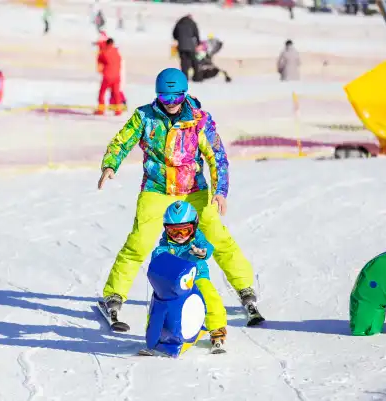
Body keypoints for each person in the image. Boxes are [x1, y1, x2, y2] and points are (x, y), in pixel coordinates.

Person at [97, 68, 262, 328]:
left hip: (193, 190)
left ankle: (245, 289)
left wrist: (220, 191)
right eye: (164, 98)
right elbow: (121, 142)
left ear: (184, 95)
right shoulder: (144, 116)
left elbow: (216, 155)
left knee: (217, 237)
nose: (170, 104)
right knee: (139, 242)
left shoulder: (198, 119)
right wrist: (110, 165)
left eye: (175, 98)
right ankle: (113, 296)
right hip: (156, 188)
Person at [151, 200, 228, 352]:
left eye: (184, 231)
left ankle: (217, 328)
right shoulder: (166, 245)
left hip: (197, 276)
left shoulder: (197, 239)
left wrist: (202, 252)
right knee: (161, 303)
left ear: (194, 227)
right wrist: (158, 260)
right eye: (174, 232)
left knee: (209, 296)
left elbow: (207, 246)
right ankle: (156, 332)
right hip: (175, 281)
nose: (179, 236)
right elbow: (159, 253)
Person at [94, 38, 122, 116]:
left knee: (102, 92)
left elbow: (99, 59)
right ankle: (118, 110)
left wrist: (100, 46)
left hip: (108, 76)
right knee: (116, 93)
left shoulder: (104, 52)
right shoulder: (116, 51)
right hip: (117, 76)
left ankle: (101, 110)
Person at [172, 14, 200, 81]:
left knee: (184, 63)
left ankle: (185, 78)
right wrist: (198, 42)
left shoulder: (179, 23)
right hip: (191, 46)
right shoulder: (192, 23)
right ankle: (197, 77)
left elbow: (174, 34)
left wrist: (179, 39)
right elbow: (196, 34)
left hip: (181, 46)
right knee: (194, 62)